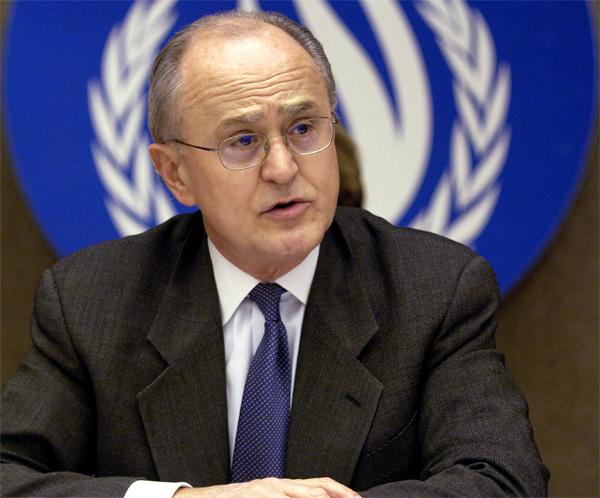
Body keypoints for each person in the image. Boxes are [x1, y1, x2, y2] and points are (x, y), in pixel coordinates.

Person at [1, 10, 548, 498]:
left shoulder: (433, 289)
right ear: (175, 173)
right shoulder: (92, 300)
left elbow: (504, 480)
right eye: (242, 141)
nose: (284, 168)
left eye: (304, 128)